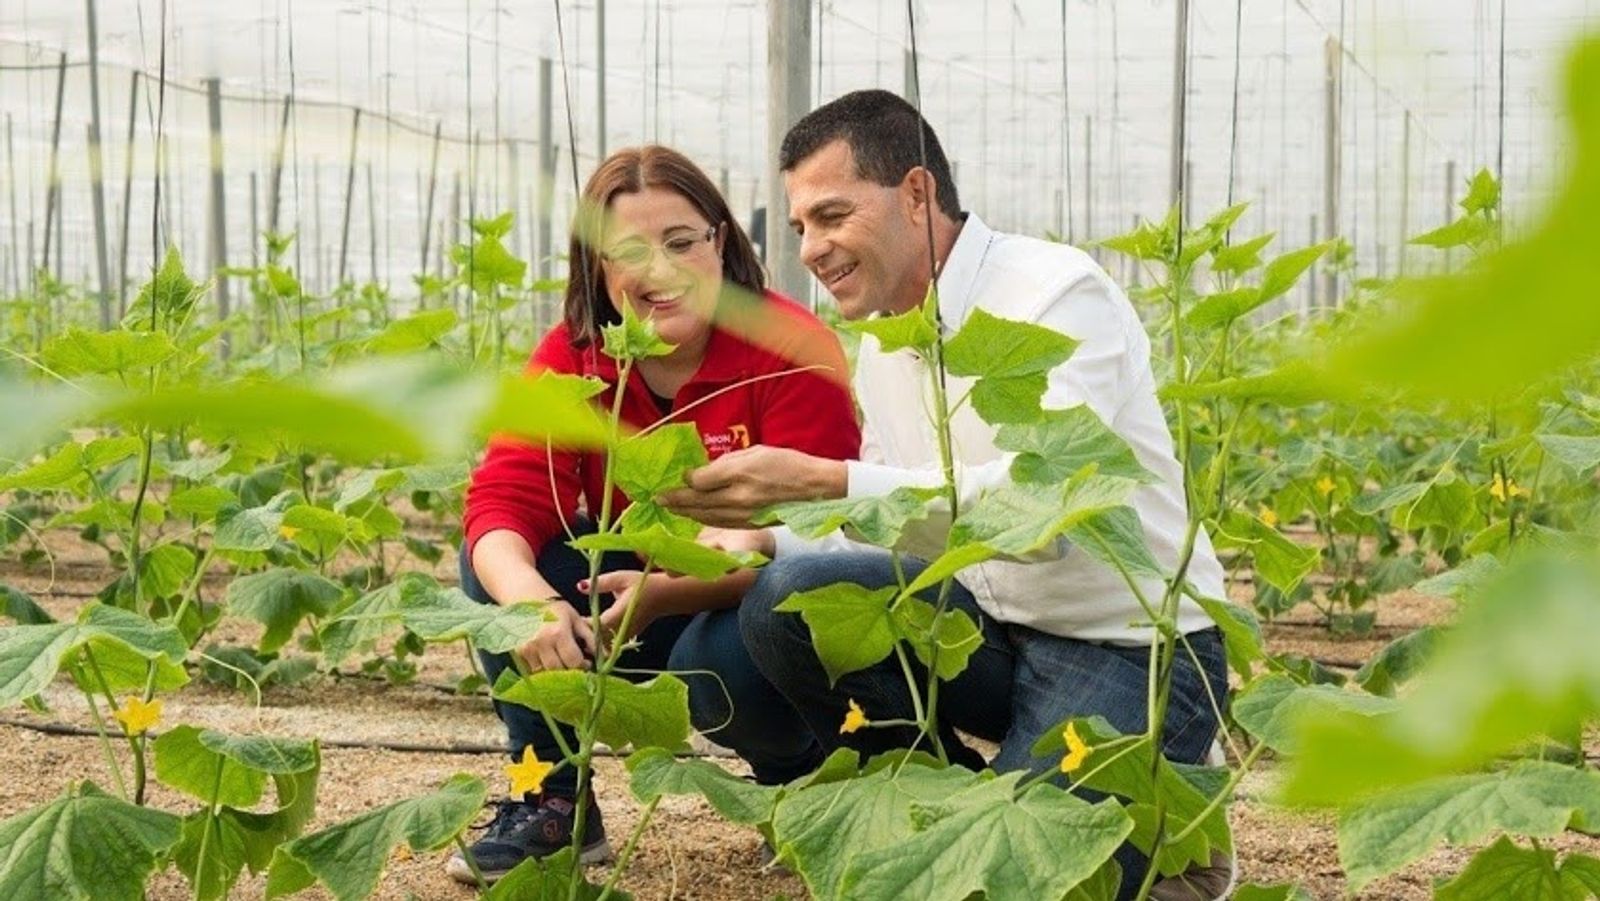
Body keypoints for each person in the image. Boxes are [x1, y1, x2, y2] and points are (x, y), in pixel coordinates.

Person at [661, 90, 1232, 899]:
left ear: (918, 194)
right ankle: (954, 806)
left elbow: (1044, 514)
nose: (812, 249)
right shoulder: (887, 342)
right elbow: (891, 525)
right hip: (998, 633)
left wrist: (825, 480)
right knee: (787, 600)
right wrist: (770, 537)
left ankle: (1175, 796)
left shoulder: (1056, 294)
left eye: (831, 215)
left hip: (1130, 649)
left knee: (1024, 876)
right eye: (799, 229)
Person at [449, 145, 860, 883]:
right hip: (620, 604)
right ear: (596, 270)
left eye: (681, 242)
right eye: (631, 251)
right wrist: (533, 606)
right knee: (502, 571)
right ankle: (548, 792)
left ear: (722, 244)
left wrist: (668, 592)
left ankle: (797, 773)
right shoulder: (574, 359)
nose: (661, 270)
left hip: (745, 602)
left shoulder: (790, 348)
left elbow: (819, 536)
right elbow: (501, 501)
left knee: (730, 651)